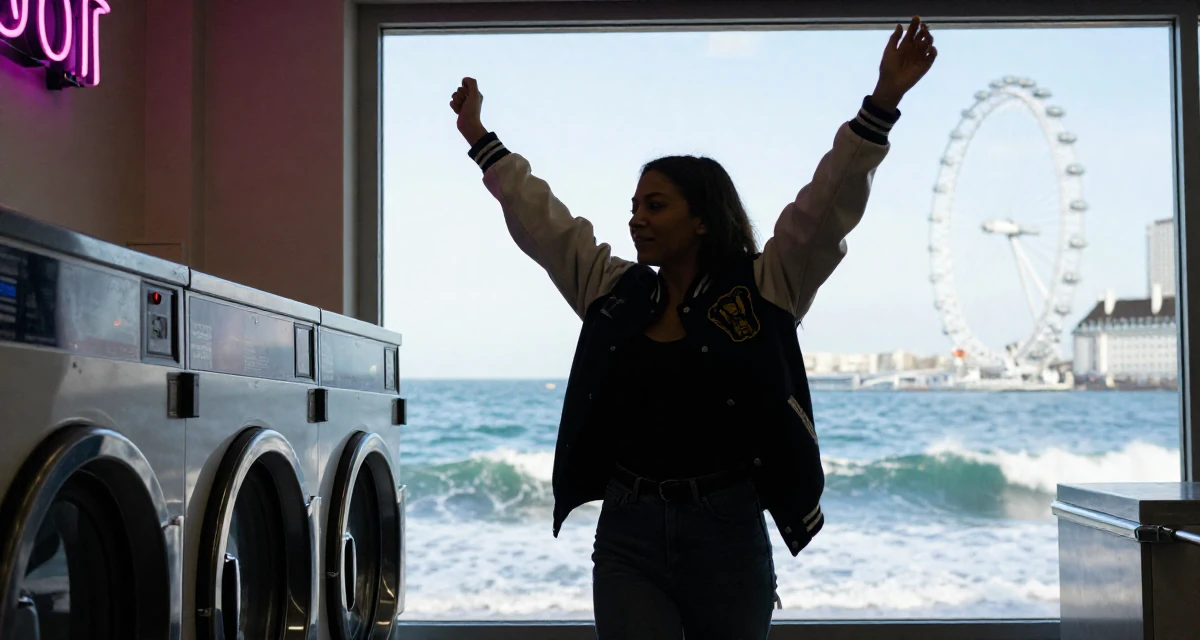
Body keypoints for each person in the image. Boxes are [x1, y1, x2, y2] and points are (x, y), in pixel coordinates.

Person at [450, 16, 937, 639]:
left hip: (728, 532)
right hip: (628, 534)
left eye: (656, 206)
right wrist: (480, 138)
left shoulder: (767, 286)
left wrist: (883, 103)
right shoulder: (614, 292)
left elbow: (826, 206)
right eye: (634, 207)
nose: (637, 220)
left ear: (703, 218)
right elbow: (545, 223)